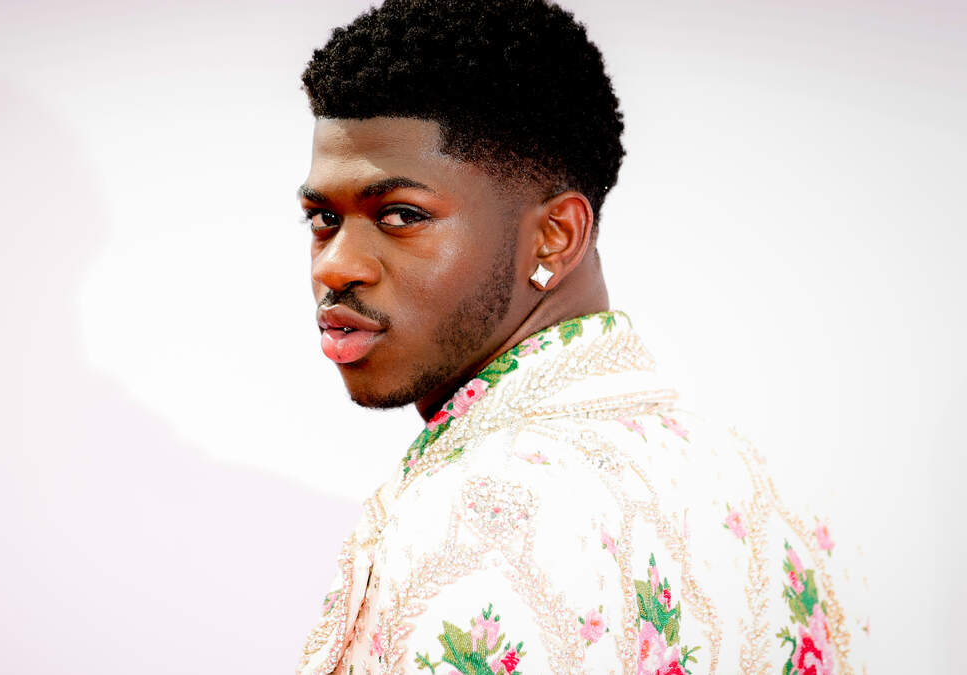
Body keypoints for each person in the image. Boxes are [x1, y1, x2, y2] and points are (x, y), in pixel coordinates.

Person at [293, 1, 866, 673]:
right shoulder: (759, 486)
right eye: (323, 218)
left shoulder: (479, 510)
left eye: (400, 214)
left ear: (555, 236)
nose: (334, 266)